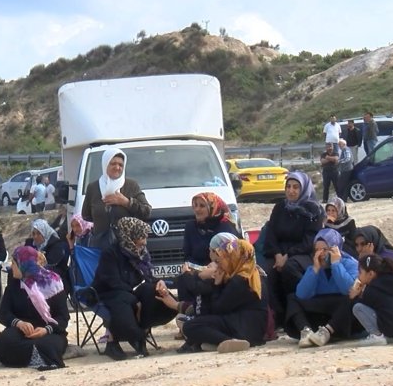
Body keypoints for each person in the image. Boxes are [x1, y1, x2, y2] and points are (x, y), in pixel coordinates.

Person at [162, 237, 268, 353]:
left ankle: (228, 341)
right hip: (252, 328)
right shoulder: (253, 275)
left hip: (244, 330)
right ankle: (210, 342)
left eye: (227, 256)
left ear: (235, 257)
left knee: (190, 326)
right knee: (199, 323)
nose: (223, 261)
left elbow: (218, 308)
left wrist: (216, 284)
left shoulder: (239, 280)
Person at [0, 246, 69, 371]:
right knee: (6, 339)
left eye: (14, 263)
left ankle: (20, 356)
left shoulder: (53, 284)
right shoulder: (14, 284)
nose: (11, 267)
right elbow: (4, 314)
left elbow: (63, 317)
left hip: (50, 331)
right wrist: (19, 323)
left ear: (24, 264)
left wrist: (46, 330)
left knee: (46, 345)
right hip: (22, 331)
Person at [90, 217, 176, 360]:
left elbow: (147, 278)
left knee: (152, 291)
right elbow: (112, 281)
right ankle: (129, 339)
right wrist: (133, 297)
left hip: (130, 291)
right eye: (141, 237)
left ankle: (141, 333)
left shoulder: (141, 253)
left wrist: (159, 282)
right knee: (127, 301)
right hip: (110, 292)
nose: (144, 242)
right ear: (130, 235)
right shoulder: (110, 254)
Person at [261, 172, 325, 325]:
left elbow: (310, 240)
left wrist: (287, 256)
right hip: (278, 253)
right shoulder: (280, 208)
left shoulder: (314, 211)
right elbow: (271, 233)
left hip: (303, 252)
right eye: (288, 187)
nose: (291, 191)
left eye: (296, 187)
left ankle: (299, 312)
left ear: (303, 189)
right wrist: (277, 254)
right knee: (264, 272)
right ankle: (277, 316)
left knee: (290, 268)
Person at [287, 228, 360, 347]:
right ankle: (306, 332)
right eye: (317, 250)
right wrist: (315, 270)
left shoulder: (350, 263)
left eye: (324, 249)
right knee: (292, 298)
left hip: (341, 313)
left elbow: (348, 290)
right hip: (321, 308)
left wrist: (336, 264)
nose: (320, 254)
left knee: (353, 298)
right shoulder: (315, 266)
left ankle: (327, 332)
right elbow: (302, 294)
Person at [81, 148, 152, 251]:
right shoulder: (93, 188)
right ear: (105, 164)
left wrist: (126, 202)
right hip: (102, 249)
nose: (117, 167)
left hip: (128, 250)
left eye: (120, 165)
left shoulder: (131, 186)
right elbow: (86, 215)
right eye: (113, 163)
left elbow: (147, 211)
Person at [349, 253, 393, 346]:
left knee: (357, 308)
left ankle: (376, 336)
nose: (358, 275)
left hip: (390, 327)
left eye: (360, 272)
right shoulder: (391, 282)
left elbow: (363, 306)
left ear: (370, 274)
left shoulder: (372, 289)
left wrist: (355, 295)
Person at [182, 192, 240, 268]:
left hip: (221, 272)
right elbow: (187, 255)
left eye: (202, 206)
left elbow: (231, 257)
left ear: (213, 208)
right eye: (195, 205)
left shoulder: (226, 227)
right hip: (196, 272)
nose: (197, 209)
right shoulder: (191, 226)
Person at [27, 219, 69, 291]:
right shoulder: (31, 244)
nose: (35, 236)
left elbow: (49, 265)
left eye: (39, 233)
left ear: (45, 232)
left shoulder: (57, 245)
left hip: (55, 279)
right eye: (33, 234)